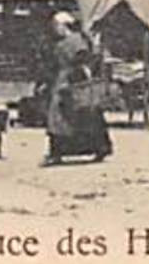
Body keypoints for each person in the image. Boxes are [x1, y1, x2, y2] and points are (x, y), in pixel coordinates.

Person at [44, 10, 112, 164]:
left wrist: (76, 80)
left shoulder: (74, 41)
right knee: (65, 117)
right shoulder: (65, 42)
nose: (55, 29)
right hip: (64, 79)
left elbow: (82, 61)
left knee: (65, 116)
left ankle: (63, 152)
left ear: (65, 26)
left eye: (57, 25)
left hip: (71, 81)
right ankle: (60, 152)